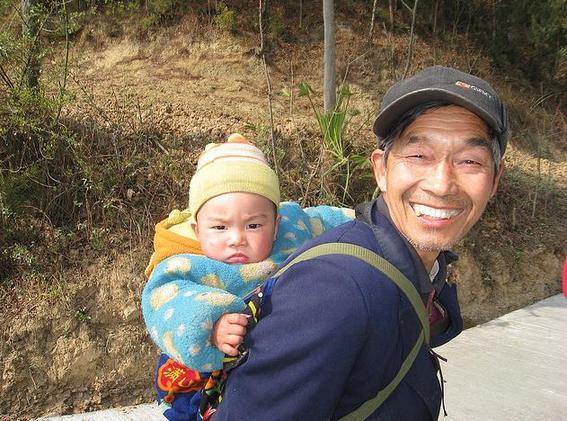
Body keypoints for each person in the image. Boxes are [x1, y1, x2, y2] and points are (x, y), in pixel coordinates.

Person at [213, 65, 508, 420]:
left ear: (494, 181)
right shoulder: (335, 291)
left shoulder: (420, 268)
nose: (442, 184)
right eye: (418, 155)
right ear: (381, 169)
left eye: (469, 161)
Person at [141, 134, 353, 419]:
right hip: (204, 379)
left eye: (253, 225)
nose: (237, 238)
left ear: (276, 225)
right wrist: (210, 326)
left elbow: (326, 219)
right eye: (219, 227)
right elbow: (165, 301)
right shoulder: (185, 264)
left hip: (274, 369)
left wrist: (370, 218)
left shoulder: (291, 231)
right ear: (196, 229)